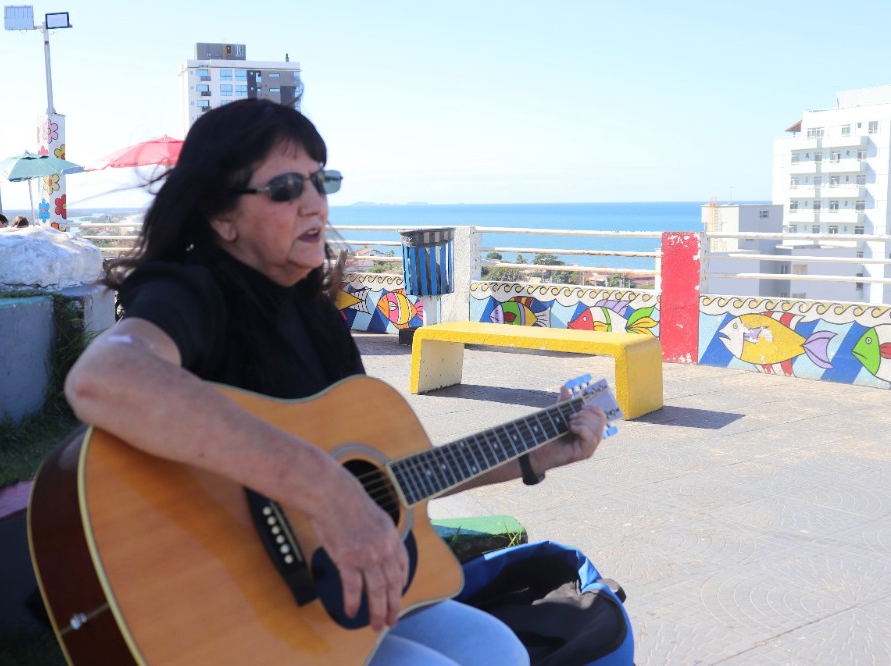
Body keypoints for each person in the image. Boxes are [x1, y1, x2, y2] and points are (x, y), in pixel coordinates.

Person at [63, 98, 607, 665]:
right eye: (285, 188)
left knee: (497, 651)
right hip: (229, 609)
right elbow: (104, 377)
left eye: (322, 182)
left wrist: (532, 456)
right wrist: (322, 489)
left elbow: (385, 485)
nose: (314, 203)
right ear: (220, 216)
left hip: (323, 592)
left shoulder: (316, 316)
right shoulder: (191, 291)